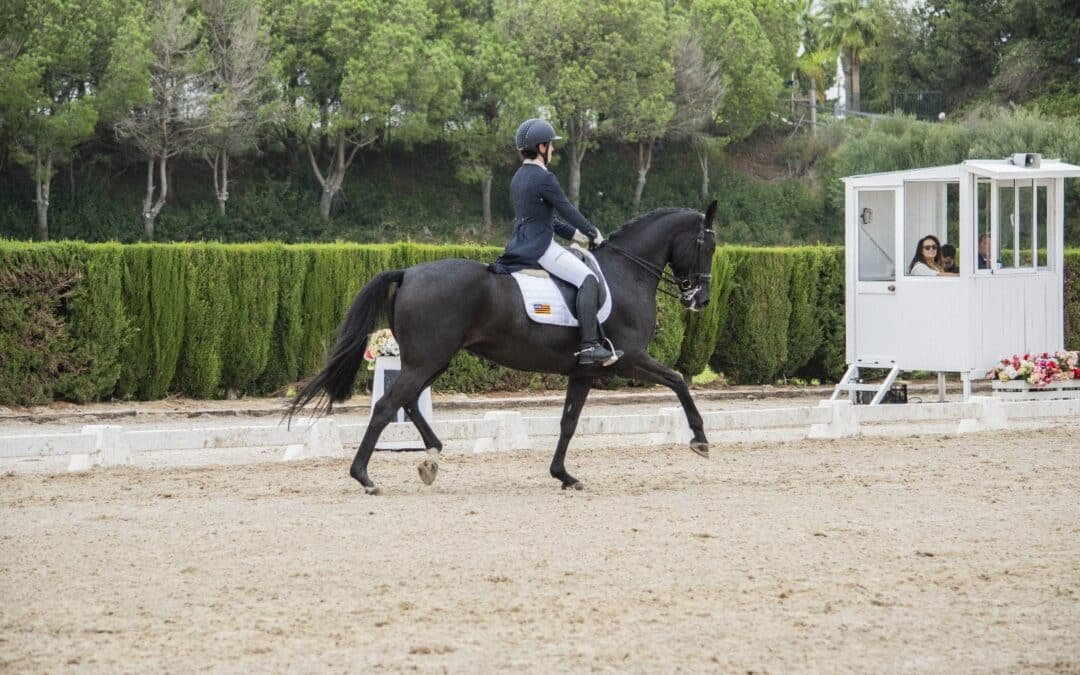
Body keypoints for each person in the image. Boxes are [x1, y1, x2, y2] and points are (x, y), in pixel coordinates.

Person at [491, 118, 622, 366]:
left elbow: (541, 218)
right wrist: (593, 232)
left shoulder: (518, 176)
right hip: (540, 248)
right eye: (550, 145)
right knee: (588, 279)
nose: (552, 149)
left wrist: (574, 235)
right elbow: (567, 209)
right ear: (541, 147)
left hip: (520, 244)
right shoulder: (544, 178)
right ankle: (589, 346)